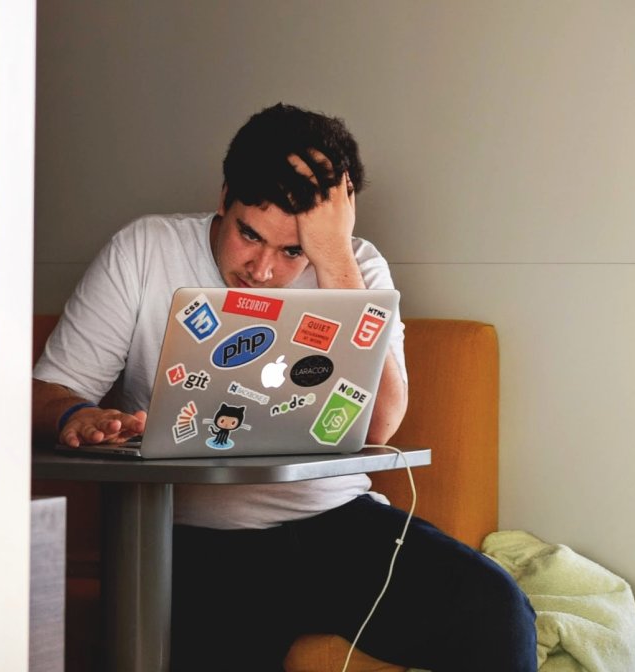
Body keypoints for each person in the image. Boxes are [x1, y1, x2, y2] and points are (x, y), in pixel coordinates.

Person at [32, 103, 537, 671]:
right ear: (224, 197)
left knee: (497, 611)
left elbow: (380, 424)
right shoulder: (144, 250)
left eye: (293, 250)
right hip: (193, 539)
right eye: (248, 235)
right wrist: (75, 415)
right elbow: (46, 391)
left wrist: (334, 259)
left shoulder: (356, 267)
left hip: (336, 525)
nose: (263, 269)